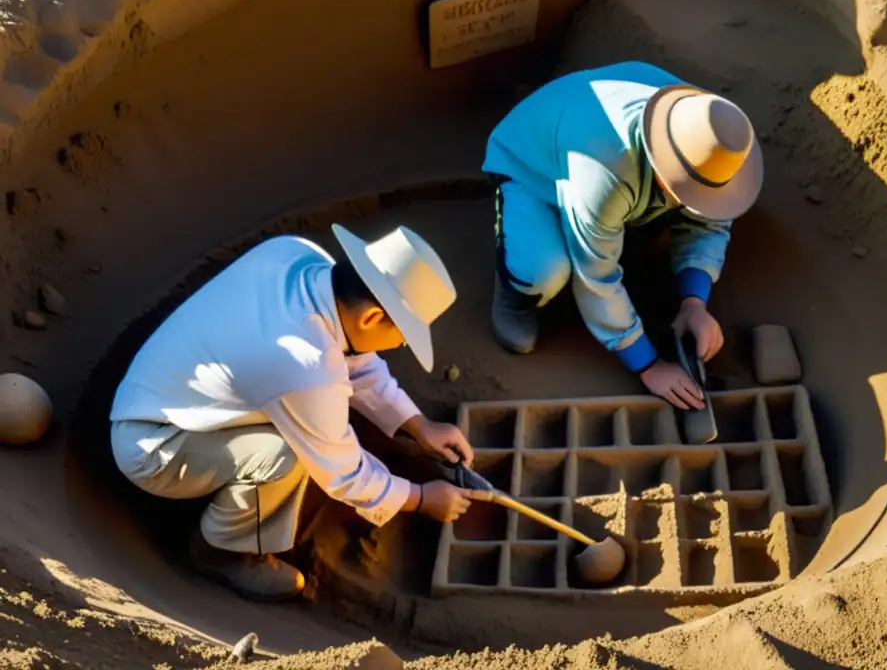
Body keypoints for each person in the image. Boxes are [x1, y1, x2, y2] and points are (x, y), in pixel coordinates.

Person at [109, 223, 475, 602]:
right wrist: (419, 498)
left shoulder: (300, 257)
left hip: (162, 389)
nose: (400, 344)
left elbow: (355, 358)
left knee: (305, 418)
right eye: (402, 334)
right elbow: (345, 475)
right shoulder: (306, 365)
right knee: (286, 455)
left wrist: (419, 426)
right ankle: (219, 553)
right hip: (152, 443)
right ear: (371, 317)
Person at [485, 60, 763, 410]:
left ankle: (627, 221)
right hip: (533, 164)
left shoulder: (713, 134)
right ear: (664, 172)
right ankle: (515, 291)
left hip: (589, 141)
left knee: (647, 217)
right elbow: (595, 274)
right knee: (545, 272)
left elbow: (711, 221)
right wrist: (648, 365)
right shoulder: (604, 170)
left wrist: (695, 301)